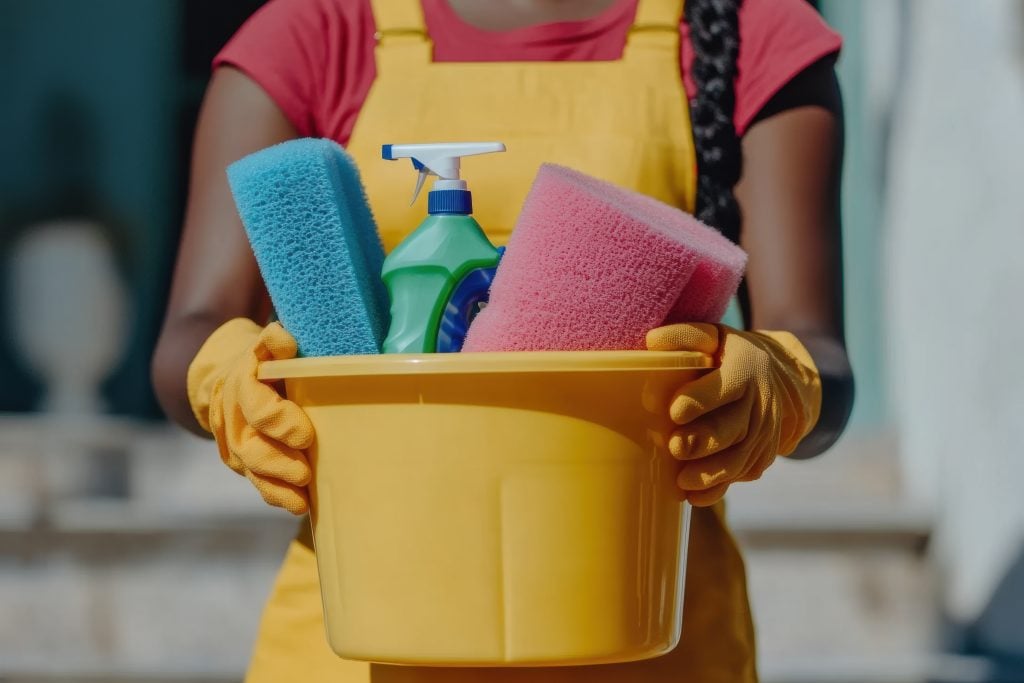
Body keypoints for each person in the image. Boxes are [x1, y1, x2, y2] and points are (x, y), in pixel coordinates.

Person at [152, 0, 854, 680]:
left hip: (644, 626)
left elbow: (818, 346)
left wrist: (782, 379)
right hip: (364, 637)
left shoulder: (751, 30)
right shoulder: (314, 32)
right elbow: (193, 326)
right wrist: (225, 375)